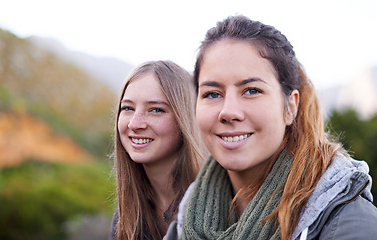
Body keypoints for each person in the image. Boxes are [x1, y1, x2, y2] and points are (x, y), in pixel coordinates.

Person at [164, 15, 377, 240]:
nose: (228, 111)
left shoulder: (348, 222)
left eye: (252, 90)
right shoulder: (188, 217)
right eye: (212, 94)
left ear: (290, 107)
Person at [109, 60, 206, 240]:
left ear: (185, 119)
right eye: (128, 108)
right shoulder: (128, 214)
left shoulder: (218, 204)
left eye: (156, 110)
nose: (134, 124)